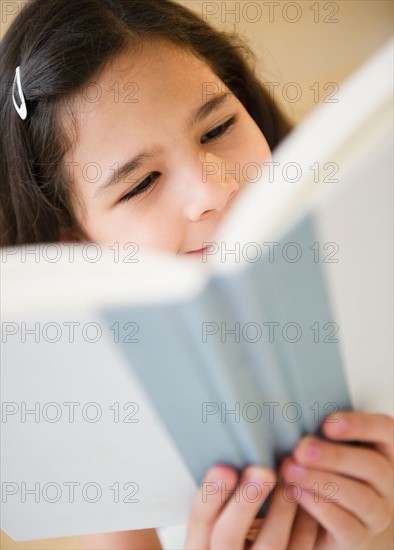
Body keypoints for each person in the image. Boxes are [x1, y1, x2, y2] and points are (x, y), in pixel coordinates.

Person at [1, 0, 393, 548]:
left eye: (219, 127)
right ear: (75, 245)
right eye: (139, 184)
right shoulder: (103, 430)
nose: (213, 190)